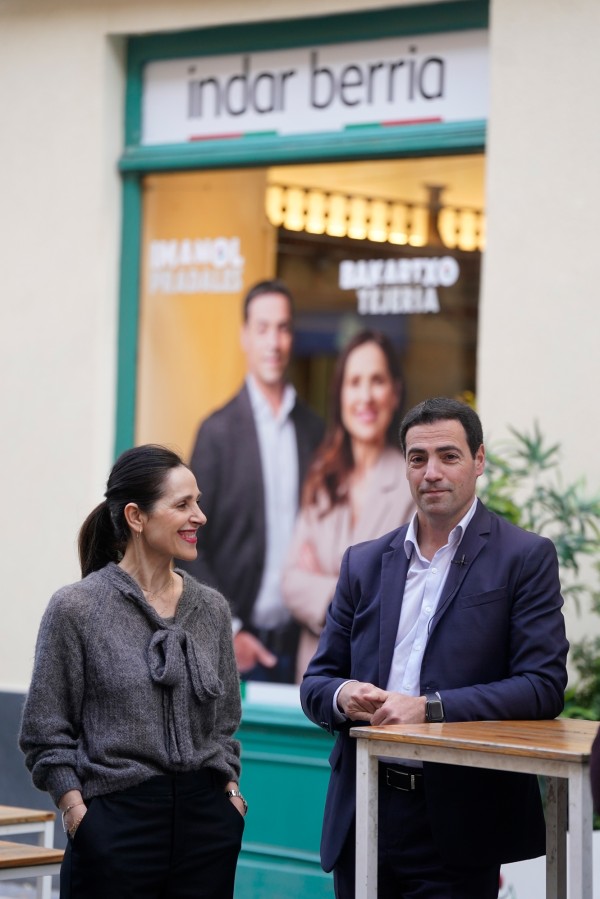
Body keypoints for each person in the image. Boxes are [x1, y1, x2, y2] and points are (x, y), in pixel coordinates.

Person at [300, 397, 569, 899]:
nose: (432, 472)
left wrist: (429, 709)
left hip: (459, 821)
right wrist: (344, 696)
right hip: (364, 809)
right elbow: (316, 683)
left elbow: (542, 687)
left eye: (449, 456)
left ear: (479, 461)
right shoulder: (363, 562)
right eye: (418, 458)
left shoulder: (525, 558)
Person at [19, 445, 247, 899]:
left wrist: (230, 797)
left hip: (206, 827)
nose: (199, 516)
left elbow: (224, 725)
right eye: (182, 504)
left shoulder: (212, 610)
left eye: (197, 502)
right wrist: (77, 812)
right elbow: (45, 732)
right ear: (136, 517)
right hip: (114, 828)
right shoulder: (76, 609)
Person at [182, 279, 324, 683]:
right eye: (262, 329)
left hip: (305, 646)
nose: (273, 342)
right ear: (244, 336)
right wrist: (230, 631)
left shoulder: (314, 431)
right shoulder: (218, 432)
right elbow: (188, 542)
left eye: (283, 328)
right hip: (236, 652)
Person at [282, 330, 415, 683]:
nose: (366, 396)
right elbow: (292, 582)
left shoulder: (412, 484)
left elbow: (404, 598)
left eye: (377, 381)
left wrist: (324, 589)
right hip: (316, 684)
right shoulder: (322, 478)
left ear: (395, 392)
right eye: (355, 382)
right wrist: (354, 594)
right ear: (341, 394)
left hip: (378, 689)